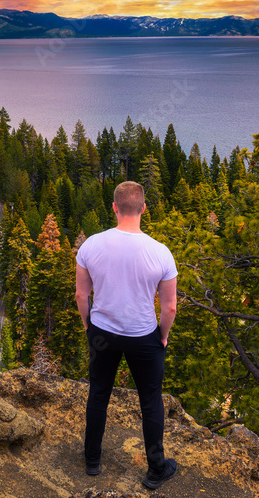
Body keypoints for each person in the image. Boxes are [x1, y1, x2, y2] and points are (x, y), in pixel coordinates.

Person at [75, 180, 179, 490]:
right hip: (143, 336)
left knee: (99, 393)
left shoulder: (91, 245)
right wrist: (162, 336)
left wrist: (88, 327)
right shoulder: (160, 253)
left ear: (115, 208)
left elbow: (82, 296)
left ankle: (92, 460)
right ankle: (155, 470)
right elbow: (170, 307)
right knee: (150, 402)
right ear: (144, 208)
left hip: (103, 333)